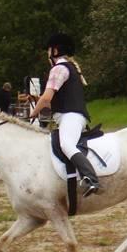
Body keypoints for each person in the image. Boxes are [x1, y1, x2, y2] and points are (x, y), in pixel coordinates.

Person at [30, 32, 99, 197]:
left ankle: (91, 178)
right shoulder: (68, 67)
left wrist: (32, 113)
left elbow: (46, 99)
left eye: (48, 50)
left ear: (54, 51)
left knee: (66, 144)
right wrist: (37, 101)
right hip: (69, 115)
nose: (47, 53)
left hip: (71, 115)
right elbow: (50, 99)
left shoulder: (58, 69)